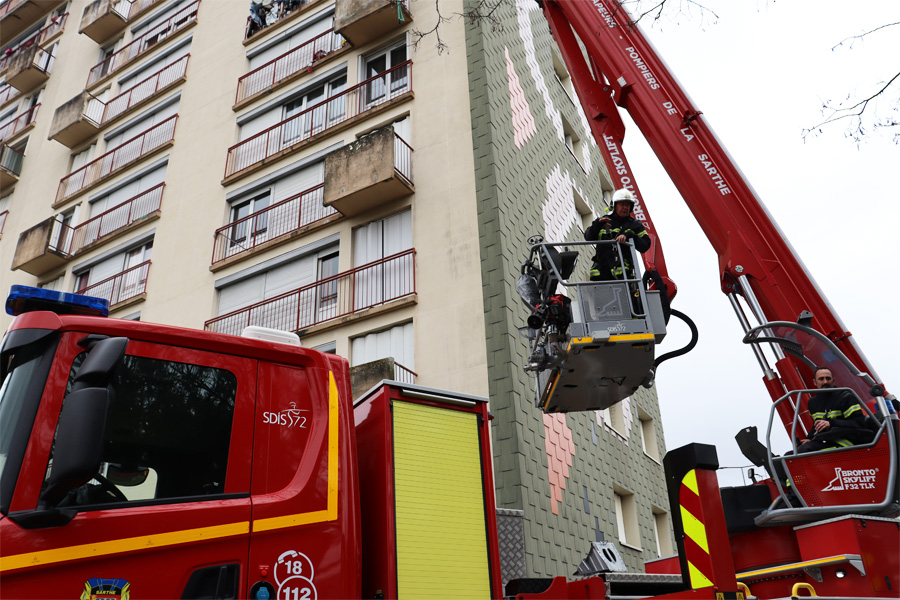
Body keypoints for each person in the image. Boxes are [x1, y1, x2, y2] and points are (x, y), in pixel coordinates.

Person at [797, 367, 871, 453]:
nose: (825, 382)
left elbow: (858, 422)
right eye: (821, 379)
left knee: (804, 451)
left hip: (847, 442)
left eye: (828, 378)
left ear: (833, 380)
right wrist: (809, 439)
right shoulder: (813, 403)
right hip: (826, 440)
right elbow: (817, 426)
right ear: (814, 382)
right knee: (790, 454)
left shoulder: (846, 397)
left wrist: (831, 423)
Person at [583, 188, 650, 281]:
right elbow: (588, 237)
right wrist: (597, 225)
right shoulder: (603, 221)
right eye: (622, 204)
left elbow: (645, 245)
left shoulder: (635, 225)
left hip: (624, 277)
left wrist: (630, 236)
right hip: (601, 276)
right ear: (615, 205)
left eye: (627, 205)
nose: (625, 207)